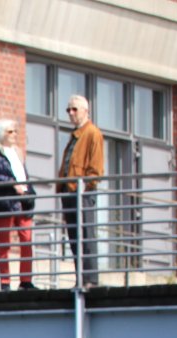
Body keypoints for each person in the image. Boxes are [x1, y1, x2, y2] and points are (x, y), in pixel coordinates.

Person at [56, 94, 104, 287]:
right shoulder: (76, 135)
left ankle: (90, 279)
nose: (71, 113)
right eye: (68, 109)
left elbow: (96, 168)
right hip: (70, 191)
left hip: (81, 192)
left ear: (85, 111)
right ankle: (81, 278)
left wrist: (85, 187)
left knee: (86, 234)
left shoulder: (92, 133)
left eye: (74, 109)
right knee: (75, 237)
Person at [0, 119, 35, 291]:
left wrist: (30, 191)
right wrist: (12, 183)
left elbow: (24, 175)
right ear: (1, 134)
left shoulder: (17, 152)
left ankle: (26, 280)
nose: (14, 135)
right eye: (10, 131)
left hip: (23, 202)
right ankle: (5, 282)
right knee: (4, 244)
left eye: (15, 131)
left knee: (27, 240)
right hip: (5, 202)